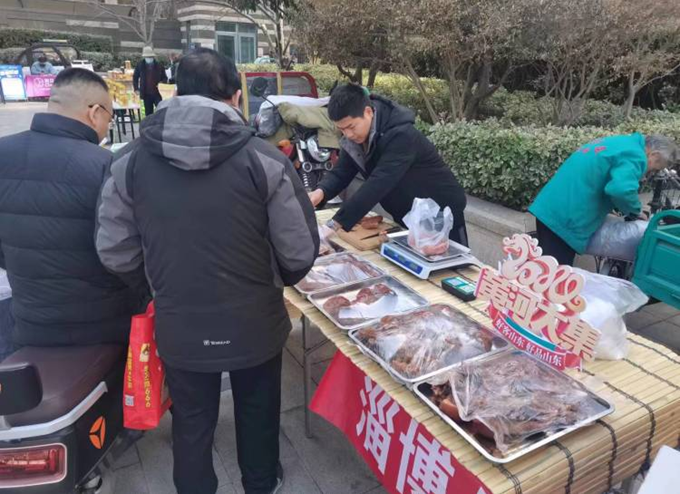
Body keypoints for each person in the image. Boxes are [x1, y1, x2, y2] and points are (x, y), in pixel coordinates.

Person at [95, 48, 319, 494]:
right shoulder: (265, 160)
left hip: (180, 322)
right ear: (235, 96)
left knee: (192, 421)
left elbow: (114, 250)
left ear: (176, 92)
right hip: (255, 321)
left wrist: (155, 285)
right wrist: (270, 280)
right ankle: (260, 483)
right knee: (258, 411)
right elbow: (298, 253)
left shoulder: (129, 161)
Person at [0, 68, 147, 360]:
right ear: (94, 112)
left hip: (29, 320)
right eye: (109, 117)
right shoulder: (106, 165)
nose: (107, 125)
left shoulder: (3, 152)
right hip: (108, 321)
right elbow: (124, 251)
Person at [307, 83, 469, 244]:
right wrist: (320, 192)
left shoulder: (401, 135)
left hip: (441, 212)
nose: (348, 134)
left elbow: (378, 183)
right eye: (342, 129)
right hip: (407, 212)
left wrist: (335, 223)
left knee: (447, 257)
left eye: (351, 127)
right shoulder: (357, 137)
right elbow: (341, 172)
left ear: (368, 112)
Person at [529, 133, 679, 266]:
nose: (649, 172)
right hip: (567, 216)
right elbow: (620, 189)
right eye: (655, 168)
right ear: (654, 154)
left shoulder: (623, 142)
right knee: (554, 275)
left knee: (543, 268)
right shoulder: (636, 155)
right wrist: (635, 211)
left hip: (552, 206)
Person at [133, 46, 167, 116]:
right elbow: (135, 77)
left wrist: (162, 83)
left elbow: (164, 78)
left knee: (160, 111)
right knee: (148, 113)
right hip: (146, 94)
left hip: (157, 93)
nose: (149, 58)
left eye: (150, 57)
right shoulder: (140, 65)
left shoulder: (159, 66)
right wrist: (136, 88)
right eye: (147, 57)